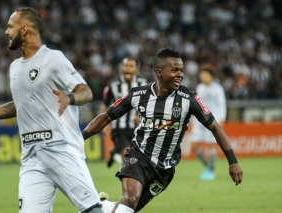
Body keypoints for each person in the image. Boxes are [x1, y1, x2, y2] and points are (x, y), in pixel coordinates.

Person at [0, 7, 103, 213]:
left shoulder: (53, 58)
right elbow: (18, 105)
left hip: (60, 149)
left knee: (92, 210)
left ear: (25, 30)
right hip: (31, 158)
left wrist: (69, 98)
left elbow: (85, 91)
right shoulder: (15, 67)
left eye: (10, 26)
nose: (6, 31)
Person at [81, 48, 243, 213]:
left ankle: (102, 205)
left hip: (165, 168)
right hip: (138, 156)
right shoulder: (139, 95)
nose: (180, 74)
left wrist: (233, 161)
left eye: (181, 70)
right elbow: (107, 116)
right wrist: (79, 138)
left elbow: (215, 127)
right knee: (129, 200)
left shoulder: (189, 99)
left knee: (130, 207)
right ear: (159, 72)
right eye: (175, 70)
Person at [101, 57, 147, 168]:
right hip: (119, 128)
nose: (128, 69)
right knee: (129, 159)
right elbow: (105, 104)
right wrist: (105, 123)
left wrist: (142, 115)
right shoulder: (113, 85)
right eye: (125, 66)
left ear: (137, 69)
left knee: (138, 159)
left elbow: (148, 103)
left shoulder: (144, 84)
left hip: (138, 128)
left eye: (131, 66)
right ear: (121, 68)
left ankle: (115, 152)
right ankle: (129, 181)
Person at [190, 65, 227, 180]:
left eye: (205, 75)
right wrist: (191, 119)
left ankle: (211, 170)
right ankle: (207, 167)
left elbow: (222, 104)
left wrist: (222, 118)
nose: (203, 77)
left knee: (211, 146)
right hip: (198, 120)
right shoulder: (199, 87)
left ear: (211, 76)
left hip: (212, 120)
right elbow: (196, 105)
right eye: (201, 75)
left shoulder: (218, 89)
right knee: (195, 146)